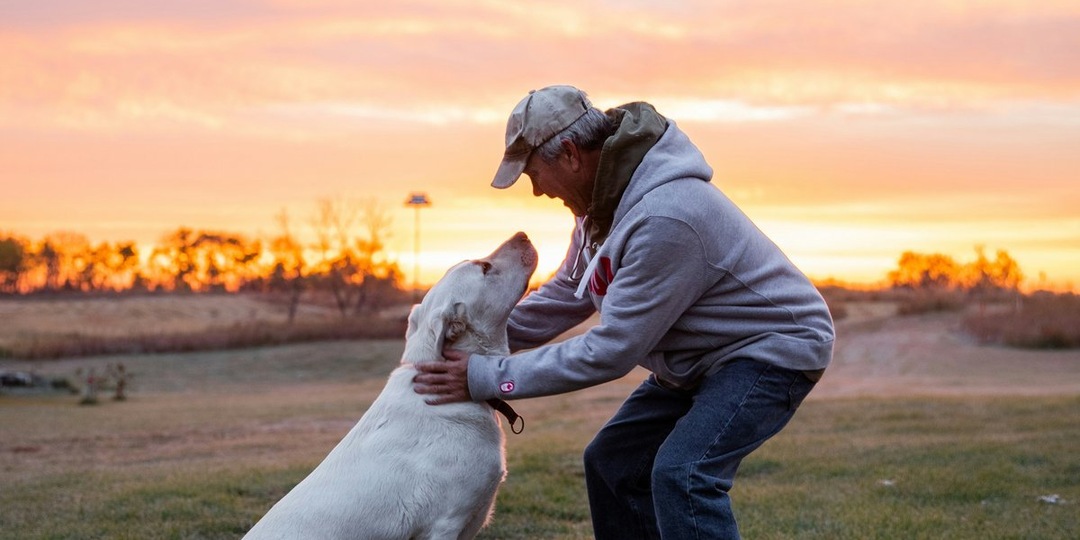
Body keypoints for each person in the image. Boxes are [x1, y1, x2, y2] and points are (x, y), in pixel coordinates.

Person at [413, 85, 834, 539]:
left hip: (770, 350)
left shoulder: (666, 218)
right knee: (612, 462)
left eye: (534, 173)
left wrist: (488, 376)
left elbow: (611, 350)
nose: (536, 190)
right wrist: (473, 336)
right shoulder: (601, 207)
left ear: (570, 154)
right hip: (700, 359)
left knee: (684, 475)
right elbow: (571, 293)